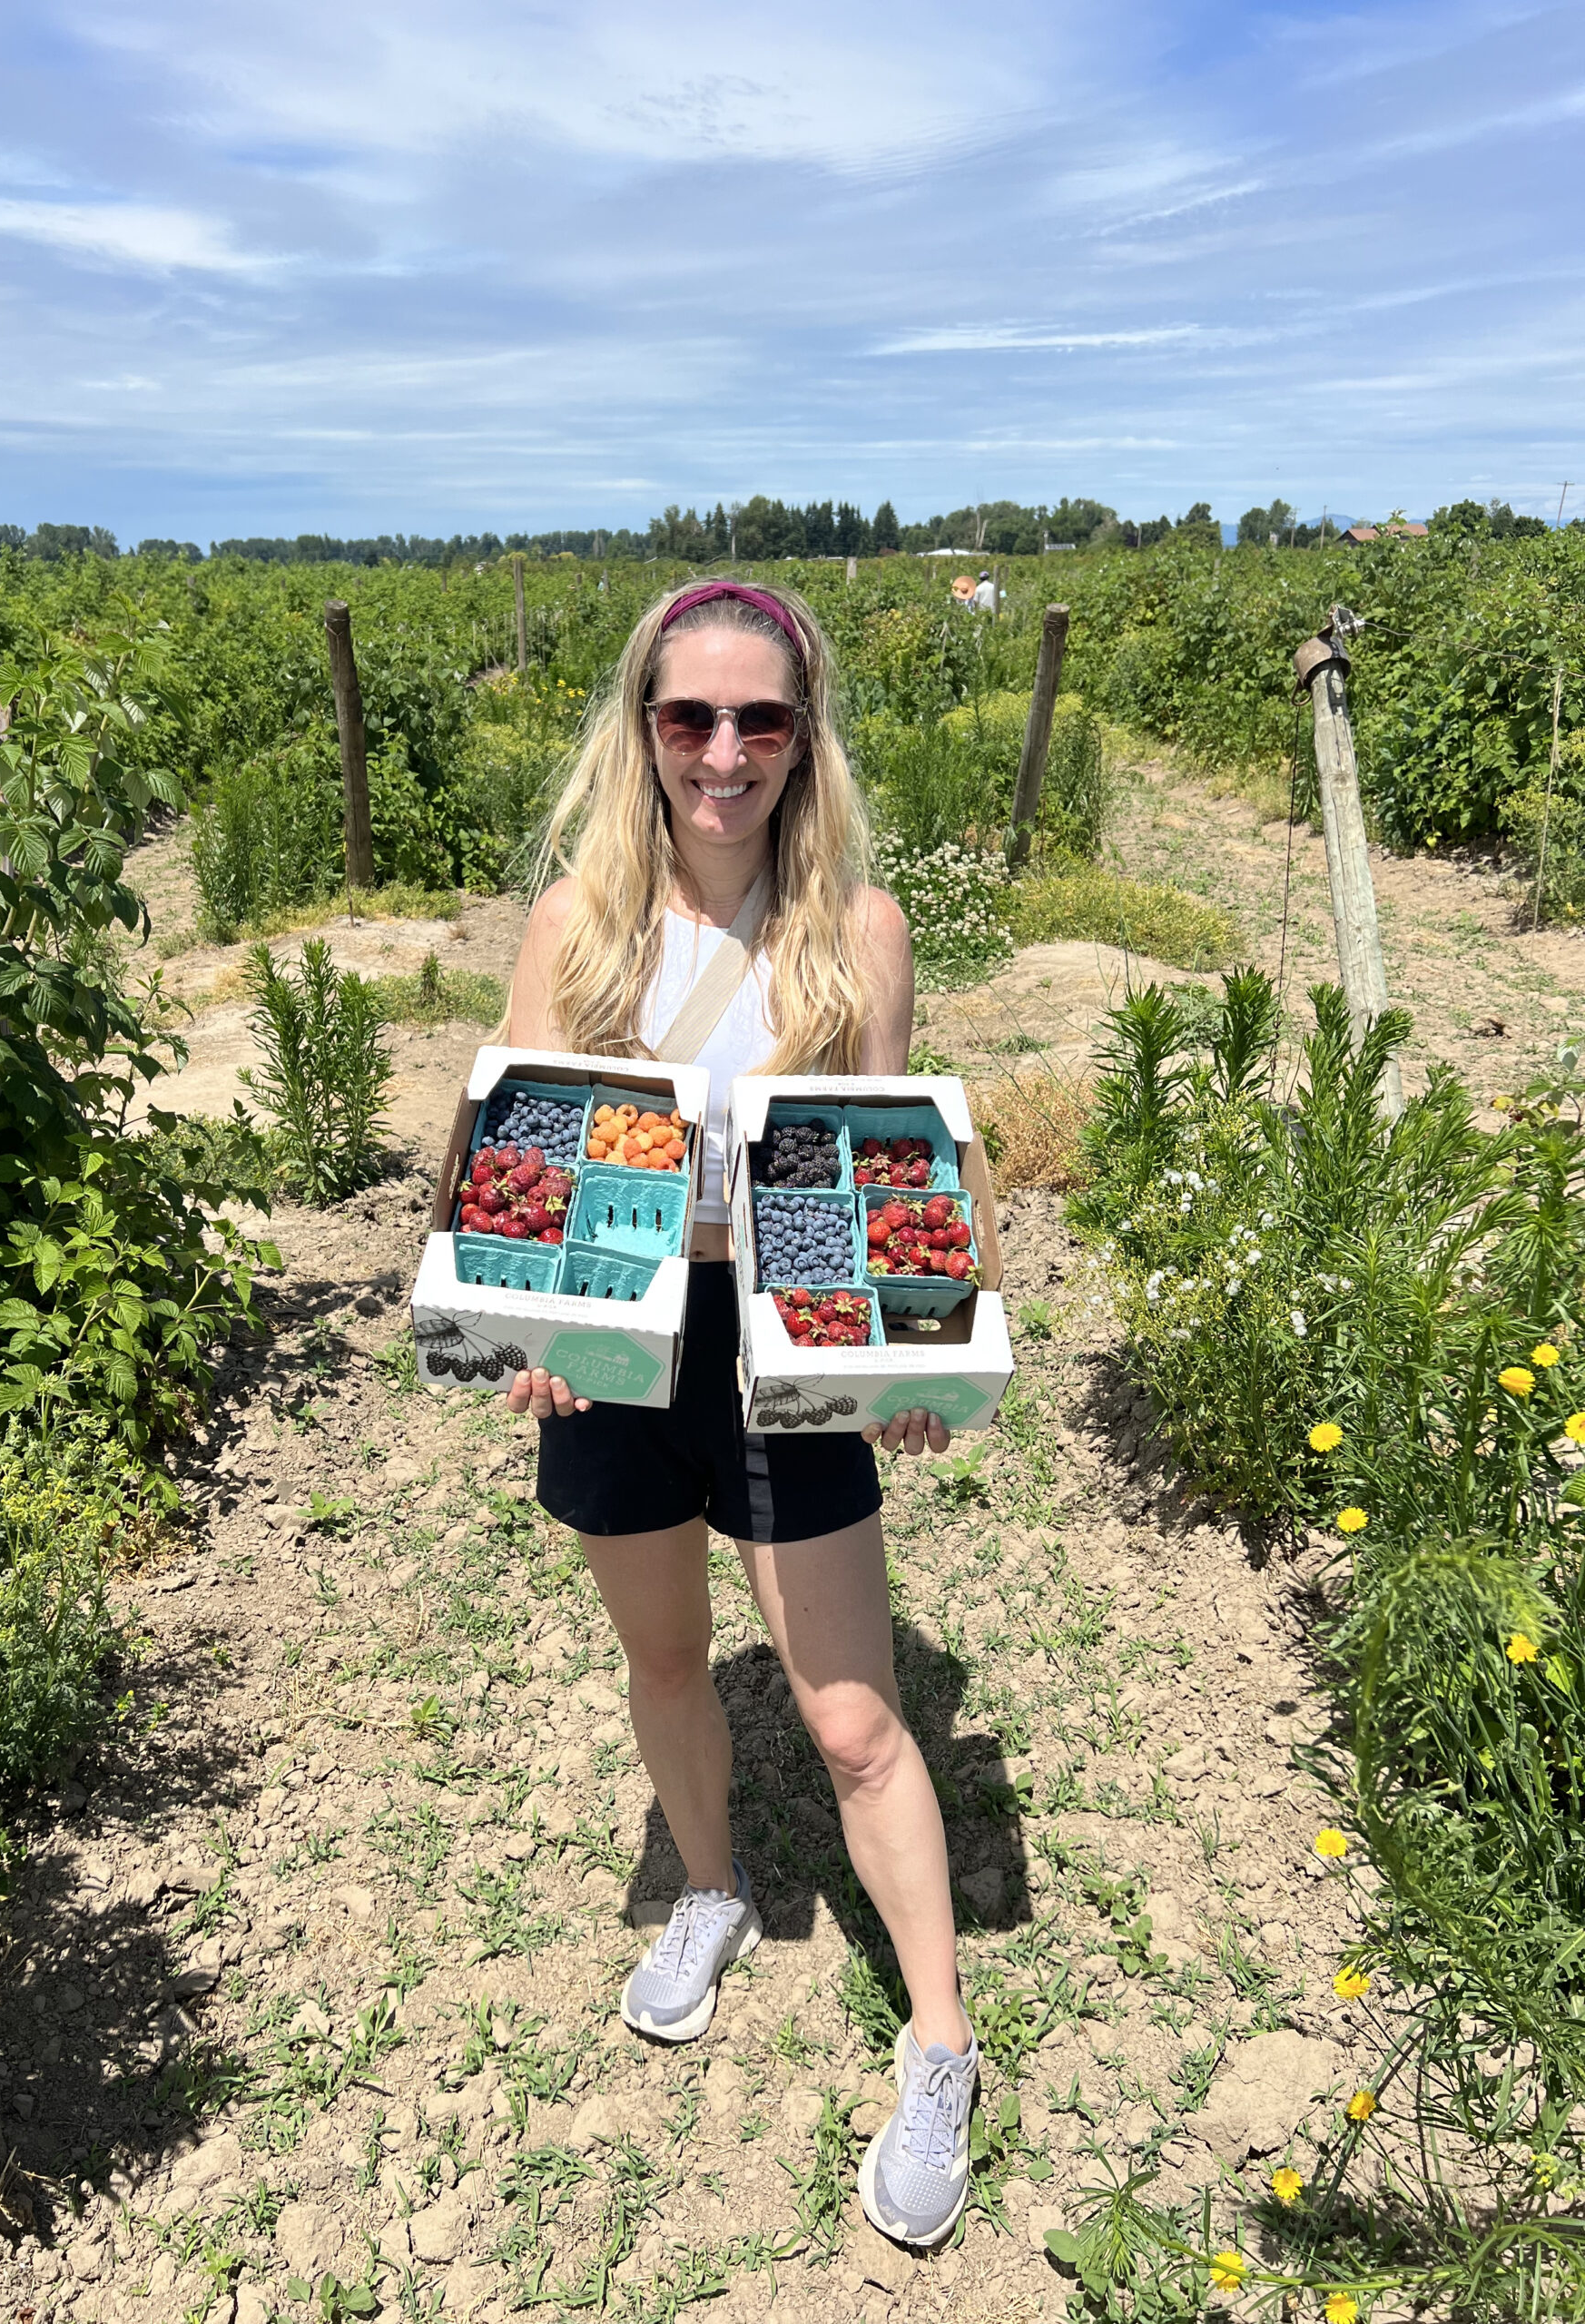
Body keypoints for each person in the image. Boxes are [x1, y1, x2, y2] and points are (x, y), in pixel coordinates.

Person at [501, 579, 980, 2247]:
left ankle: (940, 2043)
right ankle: (710, 1890)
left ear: (803, 737)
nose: (724, 753)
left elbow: (884, 1164)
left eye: (759, 720)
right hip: (629, 1339)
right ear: (643, 729)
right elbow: (526, 1148)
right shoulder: (578, 926)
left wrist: (904, 1357)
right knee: (665, 1657)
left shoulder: (858, 929)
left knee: (854, 1719)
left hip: (784, 1330)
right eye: (689, 718)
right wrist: (540, 1315)